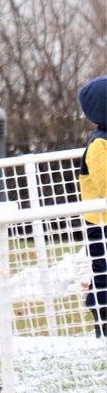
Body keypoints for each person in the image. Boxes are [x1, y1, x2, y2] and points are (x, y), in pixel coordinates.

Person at [78, 76, 107, 338]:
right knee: (104, 274)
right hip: (101, 224)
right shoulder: (99, 144)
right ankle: (102, 320)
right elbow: (104, 183)